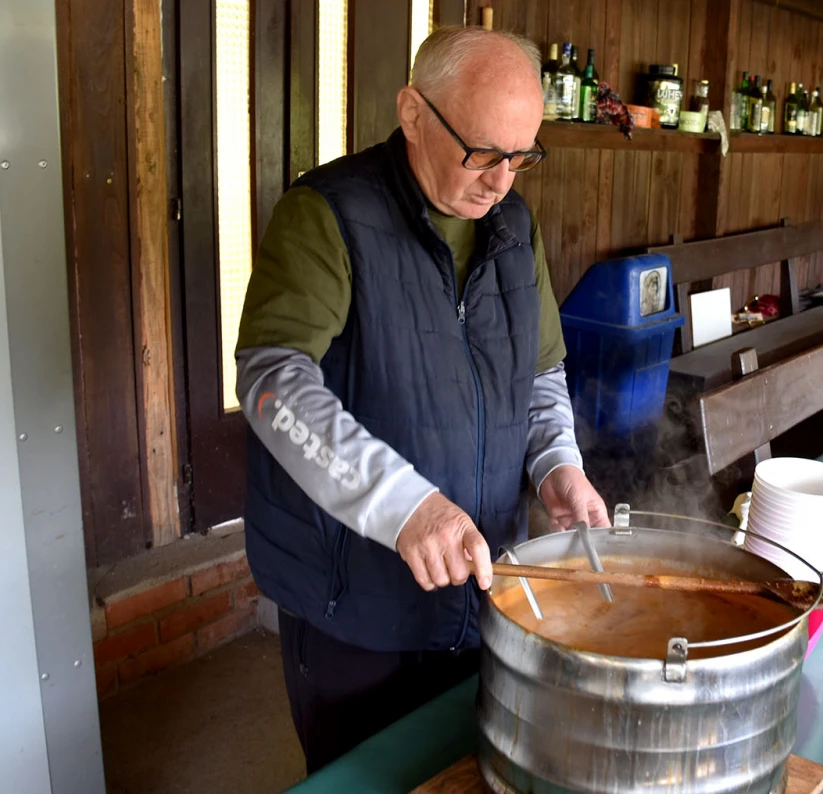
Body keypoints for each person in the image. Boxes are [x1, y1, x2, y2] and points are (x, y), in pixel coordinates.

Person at [234, 26, 609, 774]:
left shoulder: (512, 225)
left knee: (468, 768)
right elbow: (273, 384)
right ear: (412, 113)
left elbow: (536, 374)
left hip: (479, 584)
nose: (502, 180)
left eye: (522, 155)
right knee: (366, 774)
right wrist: (405, 505)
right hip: (354, 600)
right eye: (482, 152)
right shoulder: (328, 215)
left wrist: (557, 464)